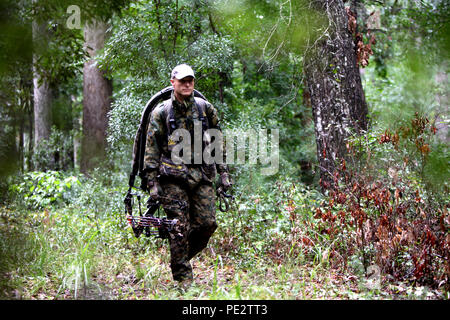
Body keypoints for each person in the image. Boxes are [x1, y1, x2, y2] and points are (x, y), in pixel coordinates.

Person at [142, 64, 231, 286]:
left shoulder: (205, 109)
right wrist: (152, 183)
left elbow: (218, 142)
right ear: (173, 82)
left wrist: (224, 174)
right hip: (172, 178)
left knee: (207, 224)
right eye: (182, 81)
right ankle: (184, 282)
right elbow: (151, 148)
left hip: (201, 175)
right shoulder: (161, 112)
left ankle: (178, 259)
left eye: (190, 80)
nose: (187, 84)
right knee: (178, 227)